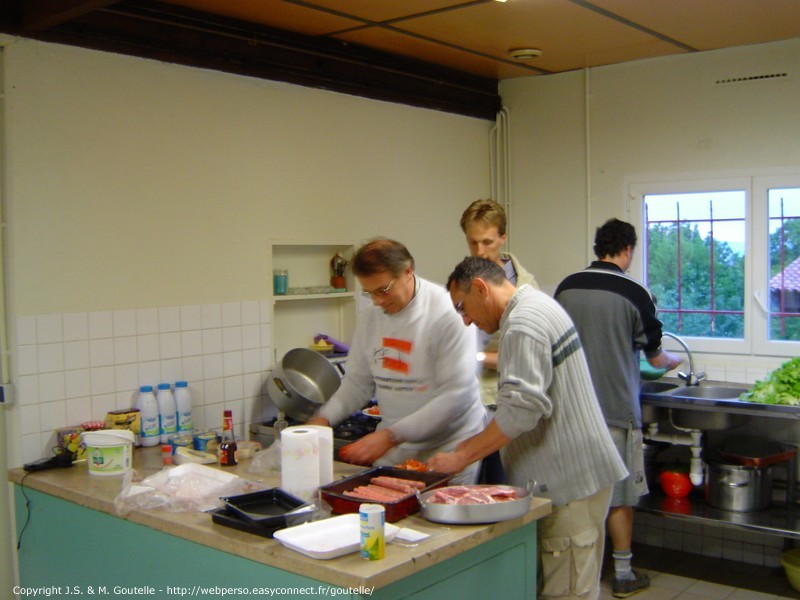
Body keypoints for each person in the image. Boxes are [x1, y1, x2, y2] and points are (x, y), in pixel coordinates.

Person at [428, 257, 628, 600]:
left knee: (568, 592)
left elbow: (521, 412)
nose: (465, 320)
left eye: (463, 307)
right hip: (578, 478)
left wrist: (460, 456)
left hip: (570, 485)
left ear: (481, 288)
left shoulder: (523, 323)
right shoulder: (534, 305)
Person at [554, 218, 682, 598]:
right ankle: (623, 574)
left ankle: (576, 571)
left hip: (570, 414)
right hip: (616, 412)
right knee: (619, 495)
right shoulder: (636, 293)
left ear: (599, 248)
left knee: (576, 496)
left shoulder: (566, 287)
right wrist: (673, 361)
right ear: (627, 250)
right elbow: (655, 358)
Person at [307, 238, 487, 485]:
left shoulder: (448, 313)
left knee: (438, 522)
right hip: (395, 450)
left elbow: (455, 396)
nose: (377, 301)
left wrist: (390, 436)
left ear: (408, 272)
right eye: (369, 293)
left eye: (383, 290)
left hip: (448, 450)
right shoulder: (372, 317)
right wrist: (323, 419)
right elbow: (357, 384)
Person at [459, 199, 538, 404]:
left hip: (507, 397)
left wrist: (476, 358)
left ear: (503, 237)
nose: (479, 252)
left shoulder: (526, 289)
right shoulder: (461, 285)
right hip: (467, 396)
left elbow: (528, 358)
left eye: (487, 242)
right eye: (473, 242)